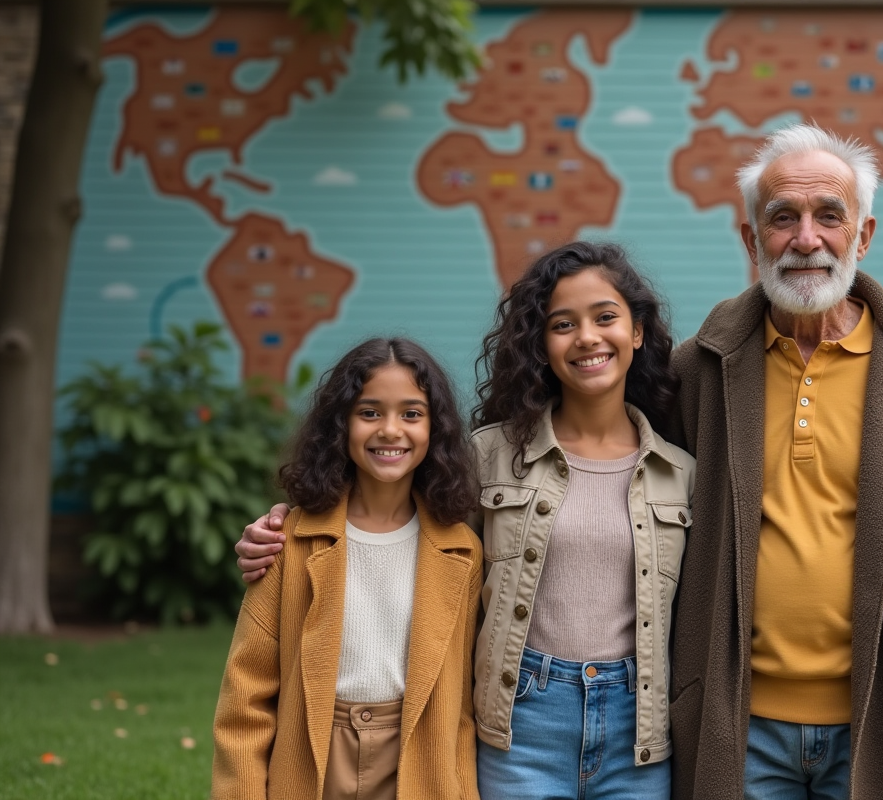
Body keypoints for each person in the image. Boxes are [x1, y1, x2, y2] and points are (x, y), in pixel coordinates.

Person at [236, 242, 695, 799]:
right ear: (540, 344)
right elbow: (386, 507)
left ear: (638, 331)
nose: (588, 338)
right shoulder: (489, 457)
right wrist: (288, 526)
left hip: (637, 731)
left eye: (605, 317)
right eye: (562, 324)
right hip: (520, 724)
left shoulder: (681, 474)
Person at [666, 123, 883, 800]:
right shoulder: (698, 371)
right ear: (751, 239)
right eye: (782, 217)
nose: (806, 239)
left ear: (864, 236)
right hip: (735, 727)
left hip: (879, 730)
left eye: (829, 216)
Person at [212, 338, 482, 800]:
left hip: (417, 755)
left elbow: (460, 705)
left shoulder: (462, 550)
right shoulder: (289, 541)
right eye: (370, 412)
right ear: (341, 425)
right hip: (312, 750)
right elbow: (247, 697)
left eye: (412, 414)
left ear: (436, 429)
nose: (391, 430)